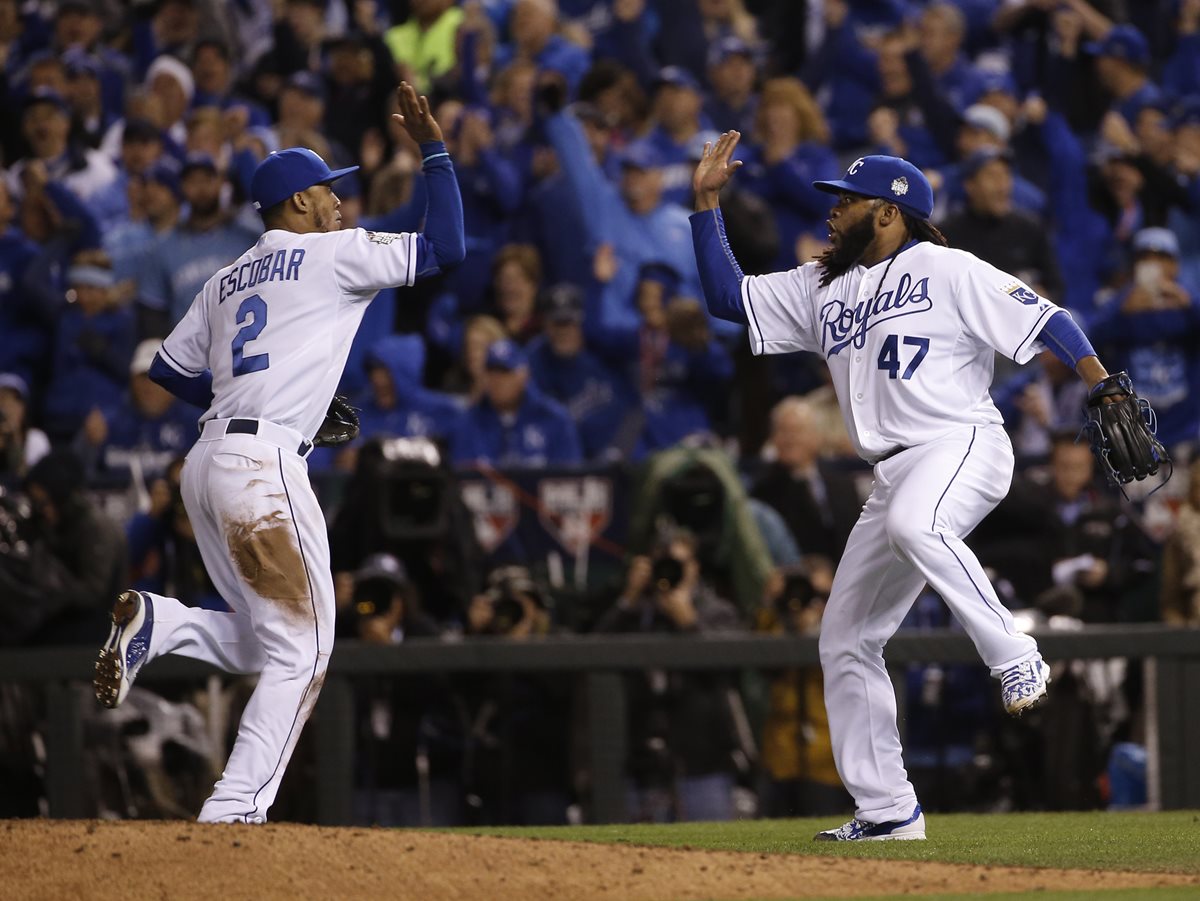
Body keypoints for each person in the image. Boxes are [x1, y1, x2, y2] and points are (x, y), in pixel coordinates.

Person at [689, 137, 1147, 841]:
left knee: (914, 524)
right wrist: (706, 202)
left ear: (889, 213)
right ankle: (888, 809)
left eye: (847, 203)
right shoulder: (822, 286)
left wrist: (1102, 383)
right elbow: (727, 297)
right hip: (895, 472)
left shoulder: (945, 267)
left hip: (961, 443)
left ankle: (1015, 652)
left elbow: (1047, 317)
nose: (834, 213)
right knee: (843, 636)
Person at [92, 82, 464, 825]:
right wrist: (435, 149)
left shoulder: (224, 278)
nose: (339, 203)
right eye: (328, 192)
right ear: (297, 205)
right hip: (264, 471)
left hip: (206, 465)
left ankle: (163, 625)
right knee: (307, 646)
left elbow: (163, 370)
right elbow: (448, 246)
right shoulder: (331, 255)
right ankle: (235, 809)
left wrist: (246, 404)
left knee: (270, 643)